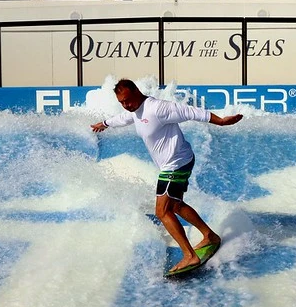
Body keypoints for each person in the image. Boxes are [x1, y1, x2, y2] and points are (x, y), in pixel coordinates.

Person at [91, 79, 243, 274]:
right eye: (122, 102)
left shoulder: (158, 108)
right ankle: (210, 236)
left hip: (176, 164)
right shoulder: (135, 110)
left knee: (162, 212)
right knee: (176, 205)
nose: (126, 105)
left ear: (137, 91)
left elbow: (189, 111)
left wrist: (220, 121)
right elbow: (124, 118)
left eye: (128, 100)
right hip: (173, 164)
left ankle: (189, 256)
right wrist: (104, 124)